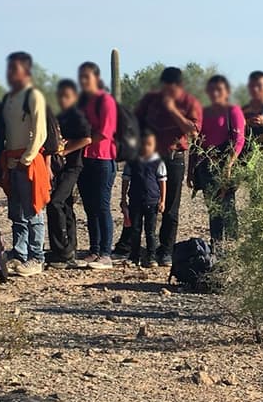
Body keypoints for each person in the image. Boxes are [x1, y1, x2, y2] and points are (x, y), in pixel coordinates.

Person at [134, 67, 201, 266]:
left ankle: (167, 250)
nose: (166, 92)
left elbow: (193, 132)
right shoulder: (151, 99)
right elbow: (135, 121)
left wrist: (172, 110)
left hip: (174, 157)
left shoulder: (189, 103)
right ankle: (147, 249)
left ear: (179, 87)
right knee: (147, 202)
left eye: (170, 89)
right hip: (151, 158)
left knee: (170, 206)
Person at [0, 52, 50, 277]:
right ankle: (19, 253)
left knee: (34, 210)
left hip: (27, 162)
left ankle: (36, 257)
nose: (10, 73)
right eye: (9, 68)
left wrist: (26, 159)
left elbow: (40, 132)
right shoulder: (9, 97)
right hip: (11, 161)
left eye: (15, 69)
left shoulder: (34, 95)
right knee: (16, 212)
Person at [191, 75, 246, 243]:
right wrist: (190, 171)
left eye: (219, 90)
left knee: (227, 206)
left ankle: (232, 251)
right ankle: (217, 248)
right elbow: (197, 142)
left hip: (226, 164)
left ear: (227, 91)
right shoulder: (203, 112)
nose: (215, 93)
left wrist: (228, 165)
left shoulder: (233, 110)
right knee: (213, 209)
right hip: (206, 165)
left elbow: (239, 140)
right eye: (212, 90)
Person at [76, 62, 118, 269]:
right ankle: (94, 249)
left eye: (87, 77)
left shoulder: (106, 101)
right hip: (85, 159)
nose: (83, 81)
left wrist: (80, 142)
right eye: (81, 77)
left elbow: (104, 133)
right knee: (90, 207)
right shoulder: (83, 103)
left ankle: (106, 253)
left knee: (102, 206)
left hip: (102, 159)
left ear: (96, 78)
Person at [49, 80, 92, 268]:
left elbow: (87, 138)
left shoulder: (77, 116)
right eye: (60, 96)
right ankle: (66, 248)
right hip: (59, 167)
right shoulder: (60, 116)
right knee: (65, 204)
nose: (62, 100)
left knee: (55, 202)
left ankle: (63, 250)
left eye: (66, 96)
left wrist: (65, 151)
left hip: (73, 165)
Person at [121, 130, 167, 268]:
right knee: (135, 229)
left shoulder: (158, 162)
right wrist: (123, 198)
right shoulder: (132, 161)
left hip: (151, 201)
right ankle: (134, 256)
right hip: (135, 200)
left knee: (150, 231)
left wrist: (162, 200)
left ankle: (151, 256)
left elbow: (162, 181)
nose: (145, 147)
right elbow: (125, 179)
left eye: (149, 144)